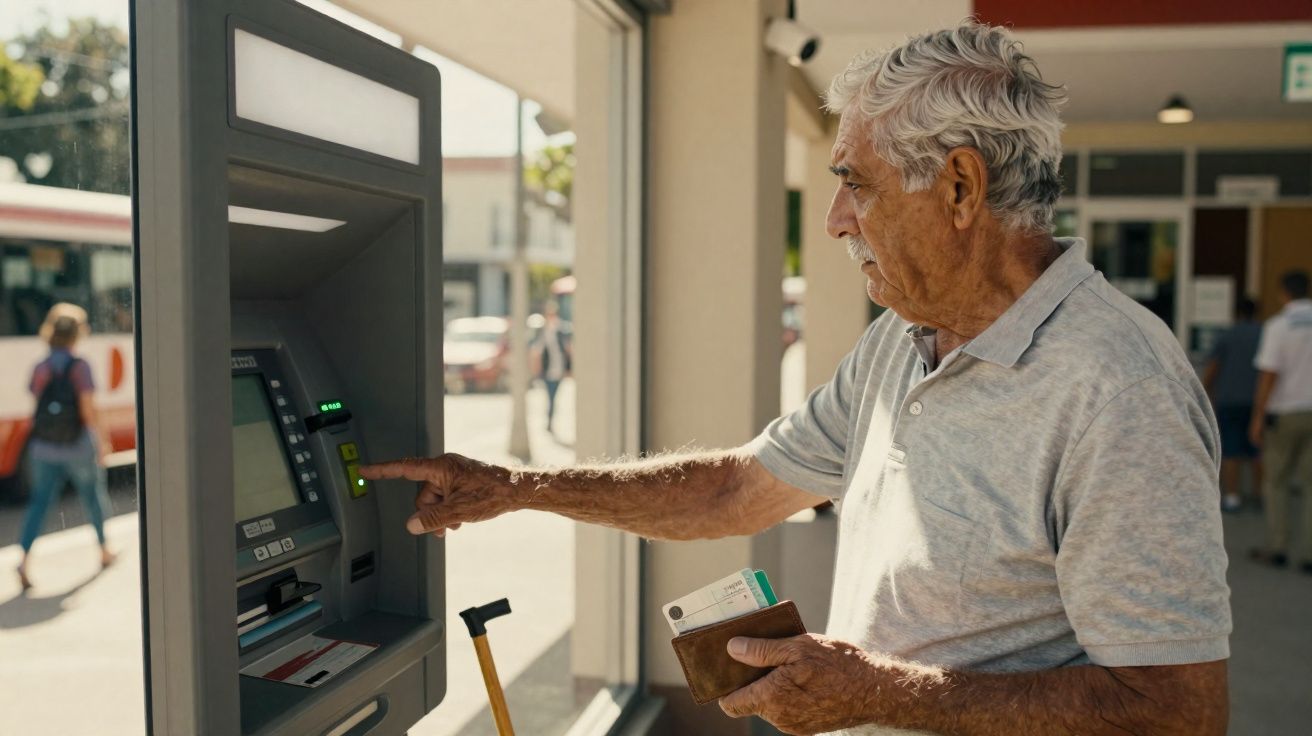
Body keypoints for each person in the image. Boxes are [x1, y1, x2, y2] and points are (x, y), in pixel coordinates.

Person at [363, 23, 1229, 735]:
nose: (835, 218)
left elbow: (1177, 713)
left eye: (856, 182)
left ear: (960, 186)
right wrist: (519, 486)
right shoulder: (902, 338)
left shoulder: (1121, 391)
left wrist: (881, 693)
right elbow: (736, 489)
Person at [16, 303, 116, 590]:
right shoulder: (80, 366)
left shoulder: (40, 366)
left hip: (43, 447)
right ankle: (104, 550)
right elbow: (88, 411)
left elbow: (37, 403)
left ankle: (23, 559)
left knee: (39, 502)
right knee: (92, 496)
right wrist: (102, 441)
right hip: (77, 446)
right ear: (77, 333)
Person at [1248, 270, 1312, 573]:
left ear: (1284, 293)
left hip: (1285, 412)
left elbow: (1269, 374)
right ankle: (1309, 553)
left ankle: (1279, 546)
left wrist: (1258, 417)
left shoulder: (1279, 326)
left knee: (1277, 482)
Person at [1202, 297, 1262, 512]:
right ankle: (1258, 495)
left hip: (1230, 400)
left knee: (1231, 452)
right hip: (1257, 401)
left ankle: (1233, 497)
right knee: (1257, 450)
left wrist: (1205, 392)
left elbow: (1213, 368)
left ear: (1236, 313)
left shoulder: (1226, 336)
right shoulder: (1264, 334)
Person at [533, 301, 571, 433]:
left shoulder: (560, 331)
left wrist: (568, 369)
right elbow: (536, 351)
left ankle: (550, 420)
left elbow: (567, 350)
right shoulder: (542, 331)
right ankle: (549, 422)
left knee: (554, 398)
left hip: (558, 370)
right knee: (550, 398)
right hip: (547, 371)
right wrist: (537, 370)